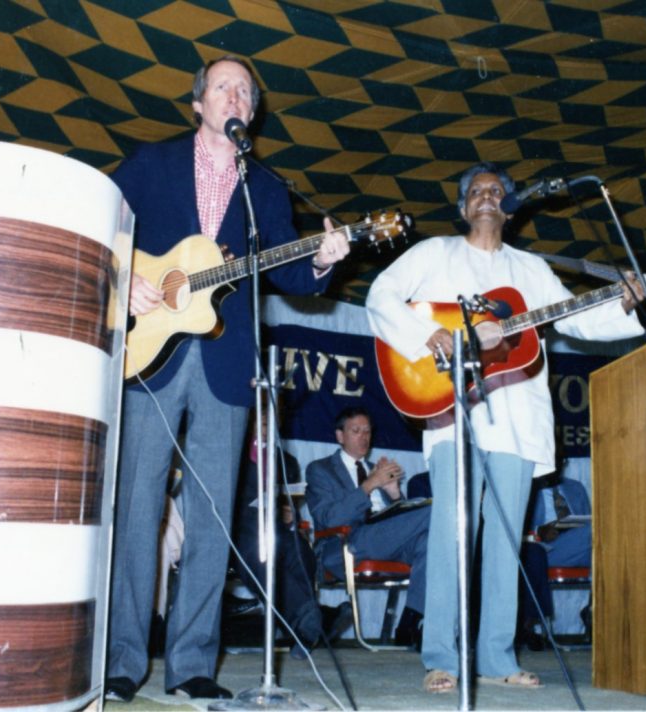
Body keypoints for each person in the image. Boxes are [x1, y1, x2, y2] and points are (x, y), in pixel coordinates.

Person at [106, 55, 350, 703]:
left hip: (226, 359)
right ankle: (123, 659)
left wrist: (321, 261)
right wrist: (124, 274)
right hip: (147, 355)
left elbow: (291, 275)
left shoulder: (265, 187)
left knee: (212, 515)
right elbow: (97, 218)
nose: (234, 94)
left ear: (253, 110)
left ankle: (190, 663)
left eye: (245, 88)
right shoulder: (151, 164)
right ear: (198, 103)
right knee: (136, 506)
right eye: (223, 85)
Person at [366, 161, 644, 693]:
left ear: (509, 206)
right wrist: (428, 336)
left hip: (517, 420)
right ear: (463, 206)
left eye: (496, 191)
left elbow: (574, 318)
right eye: (476, 191)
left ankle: (496, 655)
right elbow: (381, 295)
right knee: (453, 535)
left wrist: (622, 303)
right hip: (455, 417)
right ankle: (441, 655)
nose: (487, 197)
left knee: (506, 542)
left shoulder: (532, 270)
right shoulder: (434, 254)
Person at [304, 406, 430, 646]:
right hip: (344, 544)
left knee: (429, 539)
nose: (364, 437)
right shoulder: (320, 470)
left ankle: (413, 617)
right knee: (433, 513)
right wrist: (369, 485)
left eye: (367, 431)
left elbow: (398, 520)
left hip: (381, 540)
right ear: (340, 436)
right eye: (356, 431)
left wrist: (394, 495)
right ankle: (413, 619)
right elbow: (328, 518)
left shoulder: (376, 470)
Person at [231, 413, 323, 659]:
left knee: (300, 550)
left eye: (271, 424)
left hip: (275, 529)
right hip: (238, 533)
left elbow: (288, 502)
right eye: (261, 424)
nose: (266, 429)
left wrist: (289, 513)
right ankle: (306, 618)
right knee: (261, 549)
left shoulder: (287, 462)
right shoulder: (233, 454)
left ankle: (301, 629)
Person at [518, 473, 593, 649]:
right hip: (543, 550)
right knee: (599, 528)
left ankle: (593, 608)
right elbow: (515, 526)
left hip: (578, 548)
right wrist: (538, 530)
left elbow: (586, 518)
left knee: (609, 545)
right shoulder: (527, 487)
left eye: (559, 460)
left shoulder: (575, 487)